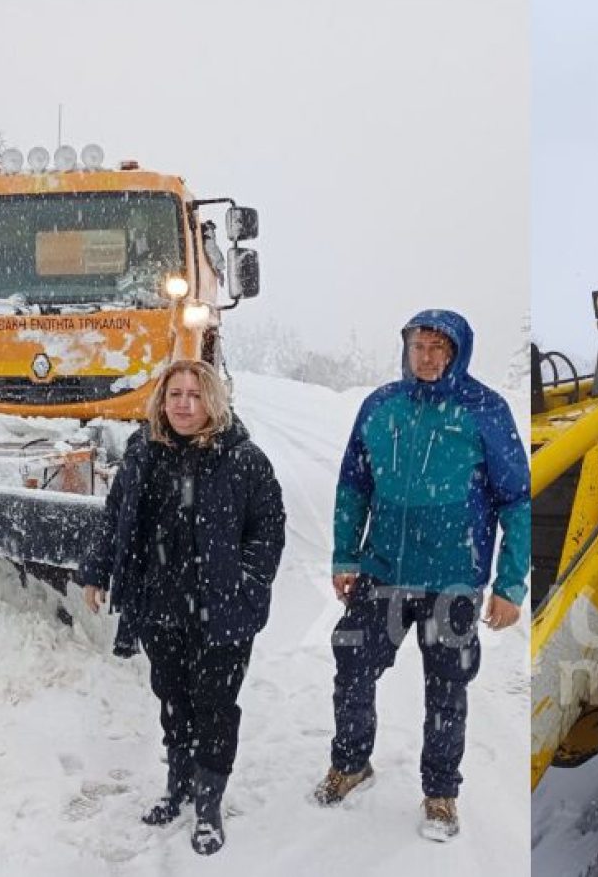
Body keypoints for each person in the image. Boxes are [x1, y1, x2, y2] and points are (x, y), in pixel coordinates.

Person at [313, 309, 529, 842]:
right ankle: (351, 762)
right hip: (381, 572)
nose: (427, 357)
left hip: (453, 580)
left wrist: (510, 584)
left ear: (458, 354)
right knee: (353, 669)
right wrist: (346, 556)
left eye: (439, 348)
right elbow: (353, 485)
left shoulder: (484, 410)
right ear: (406, 350)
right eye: (419, 347)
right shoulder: (382, 405)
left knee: (447, 690)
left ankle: (440, 793)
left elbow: (516, 500)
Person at [79, 359, 286, 854]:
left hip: (223, 609)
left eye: (194, 394)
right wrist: (96, 568)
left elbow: (269, 530)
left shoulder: (243, 459)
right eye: (175, 394)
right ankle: (179, 784)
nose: (184, 404)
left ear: (212, 401)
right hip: (161, 604)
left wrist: (247, 584)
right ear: (162, 400)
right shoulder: (143, 452)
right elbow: (117, 517)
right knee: (174, 698)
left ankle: (209, 801)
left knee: (215, 707)